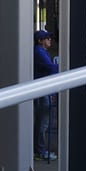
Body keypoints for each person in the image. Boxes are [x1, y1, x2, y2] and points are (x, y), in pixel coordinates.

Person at [32, 29, 59, 163]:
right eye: (47, 38)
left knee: (43, 122)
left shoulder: (42, 52)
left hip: (46, 90)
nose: (49, 40)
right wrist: (62, 65)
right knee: (43, 122)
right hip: (43, 91)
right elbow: (51, 68)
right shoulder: (39, 52)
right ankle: (40, 151)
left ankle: (39, 150)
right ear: (40, 41)